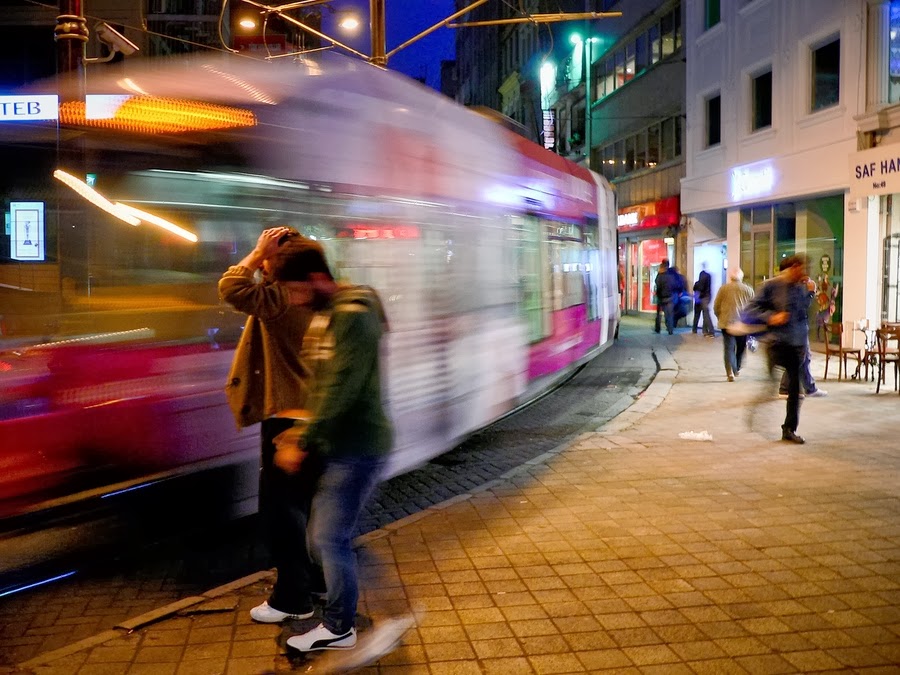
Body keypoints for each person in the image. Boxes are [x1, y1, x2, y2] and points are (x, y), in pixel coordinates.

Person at [271, 236, 392, 653]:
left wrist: (303, 439)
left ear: (317, 278)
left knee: (329, 537)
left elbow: (342, 387)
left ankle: (340, 626)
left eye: (294, 289)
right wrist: (299, 425)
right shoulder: (331, 314)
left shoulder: (353, 317)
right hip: (339, 444)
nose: (292, 299)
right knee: (322, 538)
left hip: (359, 446)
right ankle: (343, 608)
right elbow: (324, 384)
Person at [219, 226, 323, 624]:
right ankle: (318, 582)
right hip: (315, 412)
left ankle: (292, 599)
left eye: (268, 260)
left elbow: (232, 286)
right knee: (308, 506)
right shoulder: (316, 297)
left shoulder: (279, 300)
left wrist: (256, 252)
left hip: (286, 419)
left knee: (283, 512)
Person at [743, 254, 812, 443]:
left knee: (795, 389)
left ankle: (789, 429)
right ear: (793, 267)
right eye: (801, 268)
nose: (804, 272)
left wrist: (810, 292)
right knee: (770, 384)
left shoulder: (800, 288)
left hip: (796, 345)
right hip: (776, 344)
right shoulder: (772, 286)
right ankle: (755, 412)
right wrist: (771, 317)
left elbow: (802, 312)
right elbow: (748, 310)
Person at [779, 274, 827, 398]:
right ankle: (785, 388)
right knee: (799, 357)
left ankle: (810, 388)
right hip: (796, 328)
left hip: (799, 327)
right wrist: (811, 292)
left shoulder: (792, 288)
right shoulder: (792, 289)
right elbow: (801, 307)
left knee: (805, 357)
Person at [713, 267, 755, 382]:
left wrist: (720, 316)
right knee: (741, 347)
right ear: (741, 277)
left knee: (728, 348)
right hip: (742, 323)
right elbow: (753, 307)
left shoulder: (723, 289)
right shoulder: (748, 289)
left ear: (730, 277)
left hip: (726, 322)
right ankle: (737, 368)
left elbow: (716, 306)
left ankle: (729, 372)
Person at [692, 262, 715, 337]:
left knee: (698, 314)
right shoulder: (708, 276)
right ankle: (706, 330)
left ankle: (695, 329)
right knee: (706, 314)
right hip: (706, 297)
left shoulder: (698, 282)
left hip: (700, 298)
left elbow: (696, 288)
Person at [654, 259, 676, 335]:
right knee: (669, 314)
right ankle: (670, 329)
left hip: (661, 297)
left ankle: (657, 328)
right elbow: (674, 285)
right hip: (669, 297)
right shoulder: (671, 274)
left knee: (658, 314)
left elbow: (657, 283)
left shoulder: (660, 274)